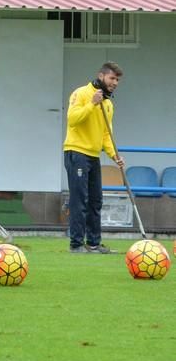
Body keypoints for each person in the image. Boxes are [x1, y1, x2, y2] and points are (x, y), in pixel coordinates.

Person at [64, 62, 124, 254]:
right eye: (112, 78)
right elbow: (73, 119)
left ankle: (93, 243)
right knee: (79, 200)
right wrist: (92, 104)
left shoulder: (108, 104)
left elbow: (106, 135)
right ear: (101, 76)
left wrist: (115, 155)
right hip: (77, 152)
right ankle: (76, 244)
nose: (115, 83)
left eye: (117, 80)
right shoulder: (81, 93)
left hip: (93, 155)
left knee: (96, 200)